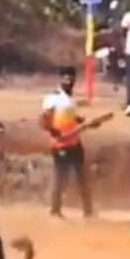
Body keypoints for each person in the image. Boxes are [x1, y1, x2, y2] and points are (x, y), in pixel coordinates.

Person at [39, 66, 96, 219]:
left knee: (82, 177)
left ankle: (88, 211)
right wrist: (54, 132)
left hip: (75, 142)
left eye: (71, 78)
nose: (69, 81)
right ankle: (55, 210)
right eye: (66, 78)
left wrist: (86, 122)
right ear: (60, 79)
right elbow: (43, 120)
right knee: (60, 178)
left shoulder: (71, 99)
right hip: (60, 145)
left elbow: (72, 118)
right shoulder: (53, 98)